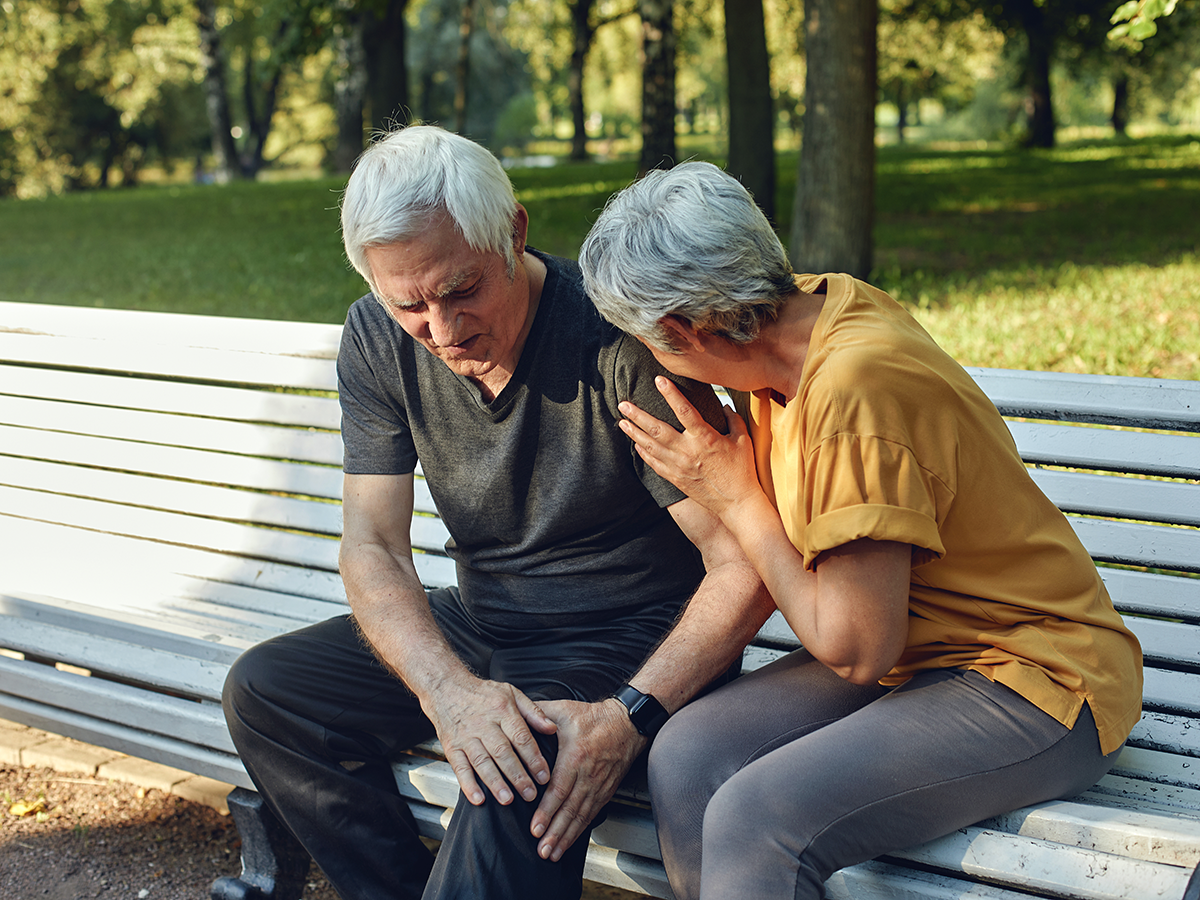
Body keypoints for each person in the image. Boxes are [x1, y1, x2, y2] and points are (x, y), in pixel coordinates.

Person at [221, 129, 770, 900]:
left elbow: (741, 562)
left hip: (627, 635)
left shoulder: (617, 343)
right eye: (409, 302)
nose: (442, 332)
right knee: (268, 694)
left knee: (501, 774)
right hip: (488, 621)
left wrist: (630, 714)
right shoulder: (377, 338)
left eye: (461, 290)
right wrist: (445, 690)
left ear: (513, 232)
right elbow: (372, 545)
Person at [577, 161, 1144, 900]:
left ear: (683, 330)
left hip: (1035, 679)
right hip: (922, 652)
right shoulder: (818, 306)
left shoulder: (851, 394)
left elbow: (854, 648)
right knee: (687, 755)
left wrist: (736, 498)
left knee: (757, 817)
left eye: (644, 340)